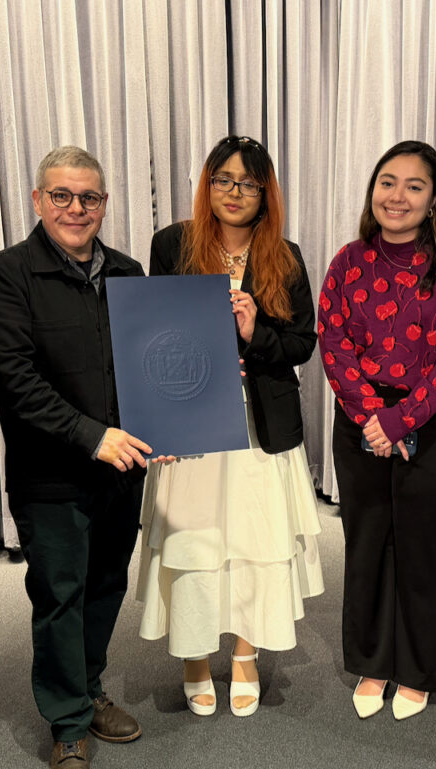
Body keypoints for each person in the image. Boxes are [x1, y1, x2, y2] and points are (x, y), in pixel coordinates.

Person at [136, 135, 324, 718]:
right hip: (192, 419)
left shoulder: (285, 256)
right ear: (207, 185)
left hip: (260, 424)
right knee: (194, 540)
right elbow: (154, 332)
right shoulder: (172, 245)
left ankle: (244, 655)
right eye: (223, 180)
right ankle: (194, 657)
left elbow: (302, 343)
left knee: (254, 540)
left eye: (248, 182)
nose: (235, 193)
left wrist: (253, 333)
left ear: (265, 193)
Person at [0, 146, 149, 769]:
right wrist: (92, 435)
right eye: (62, 196)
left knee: (105, 585)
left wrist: (170, 421)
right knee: (59, 595)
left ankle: (89, 686)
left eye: (90, 197)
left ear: (105, 202)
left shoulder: (130, 275)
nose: (77, 208)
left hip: (123, 469)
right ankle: (67, 719)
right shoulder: (4, 274)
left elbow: (150, 367)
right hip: (51, 474)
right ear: (37, 201)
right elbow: (14, 380)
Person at [318, 140, 436, 721]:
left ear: (434, 197)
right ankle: (372, 662)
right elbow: (334, 342)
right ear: (373, 190)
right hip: (360, 424)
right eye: (387, 182)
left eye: (414, 186)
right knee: (367, 543)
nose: (398, 196)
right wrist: (372, 418)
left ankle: (416, 671)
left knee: (425, 548)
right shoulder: (348, 261)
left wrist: (398, 421)